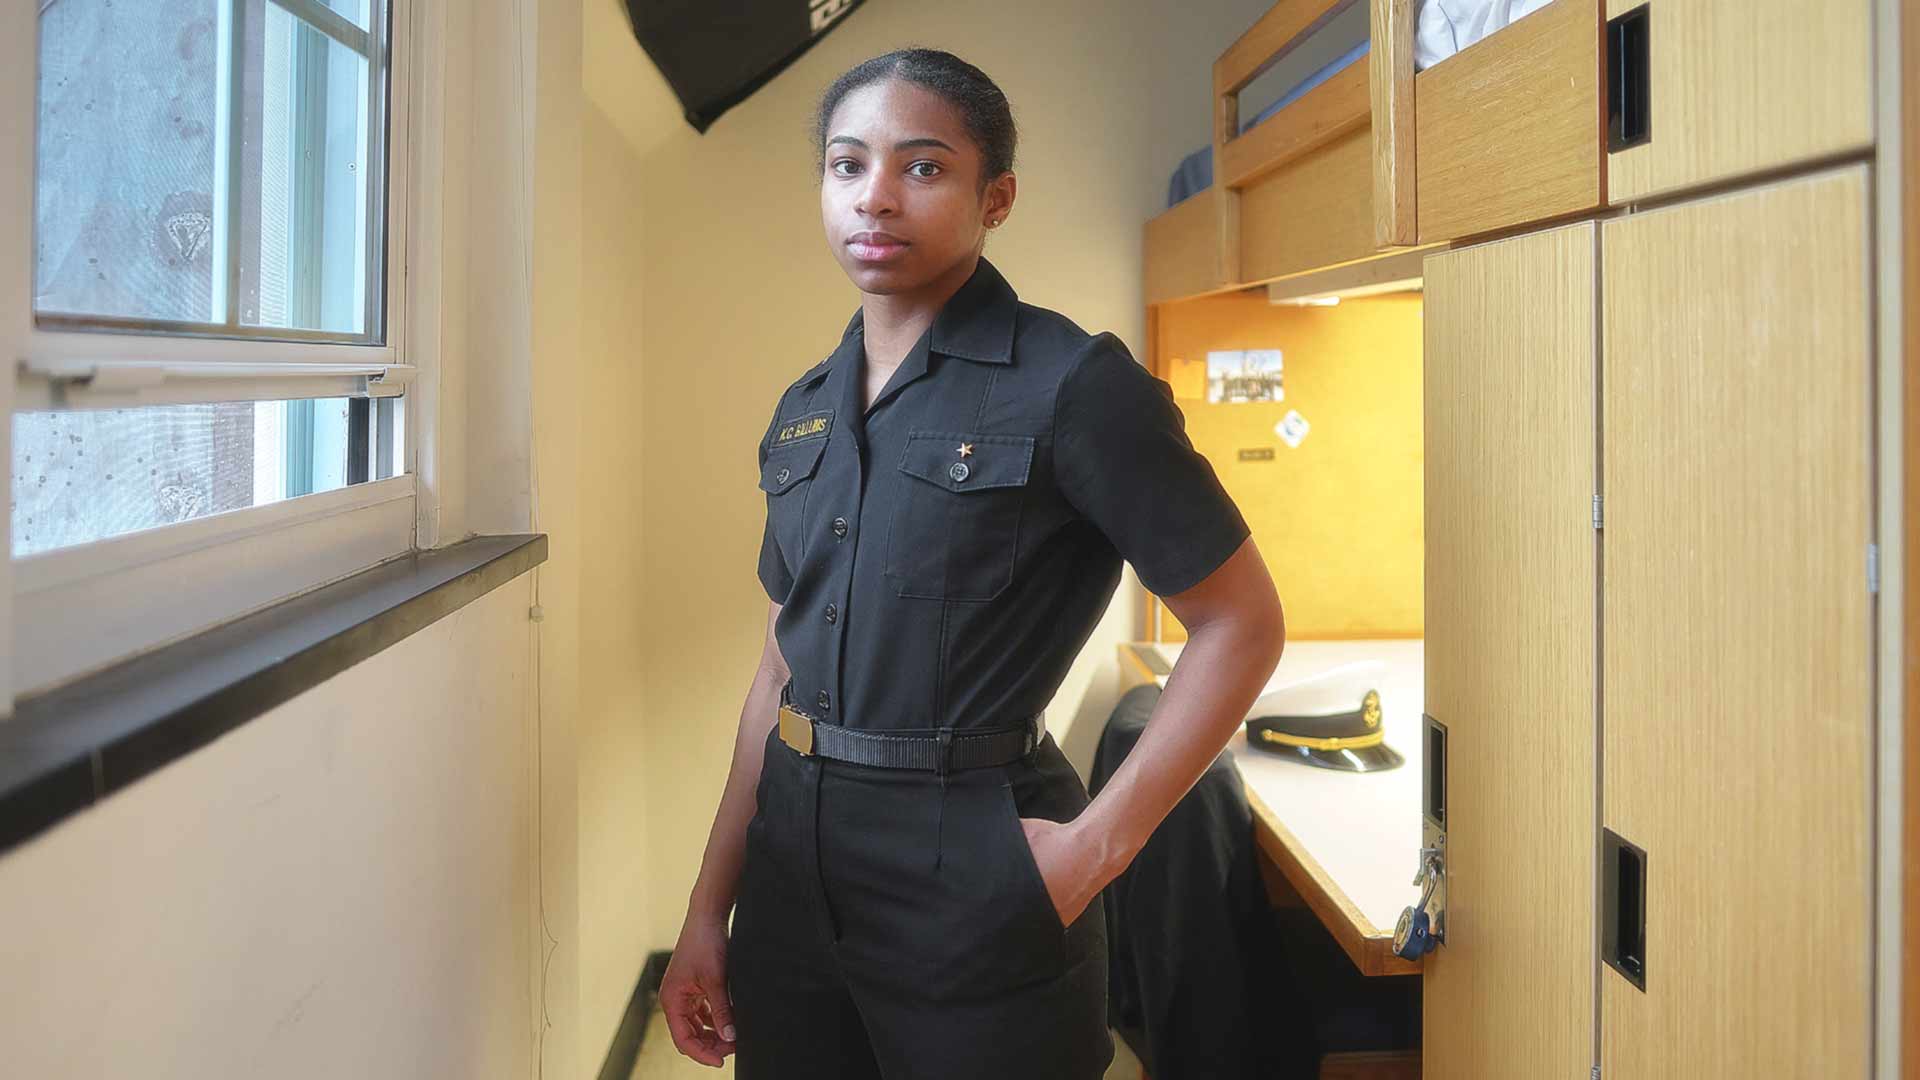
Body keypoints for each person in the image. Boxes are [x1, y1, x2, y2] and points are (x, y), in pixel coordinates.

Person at [658, 46, 1286, 1079]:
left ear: (995, 197)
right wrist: (706, 910)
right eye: (847, 165)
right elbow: (777, 673)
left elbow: (1241, 623)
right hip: (792, 867)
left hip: (978, 859)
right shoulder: (805, 410)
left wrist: (1091, 857)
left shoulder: (1073, 384)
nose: (876, 197)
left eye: (923, 166)